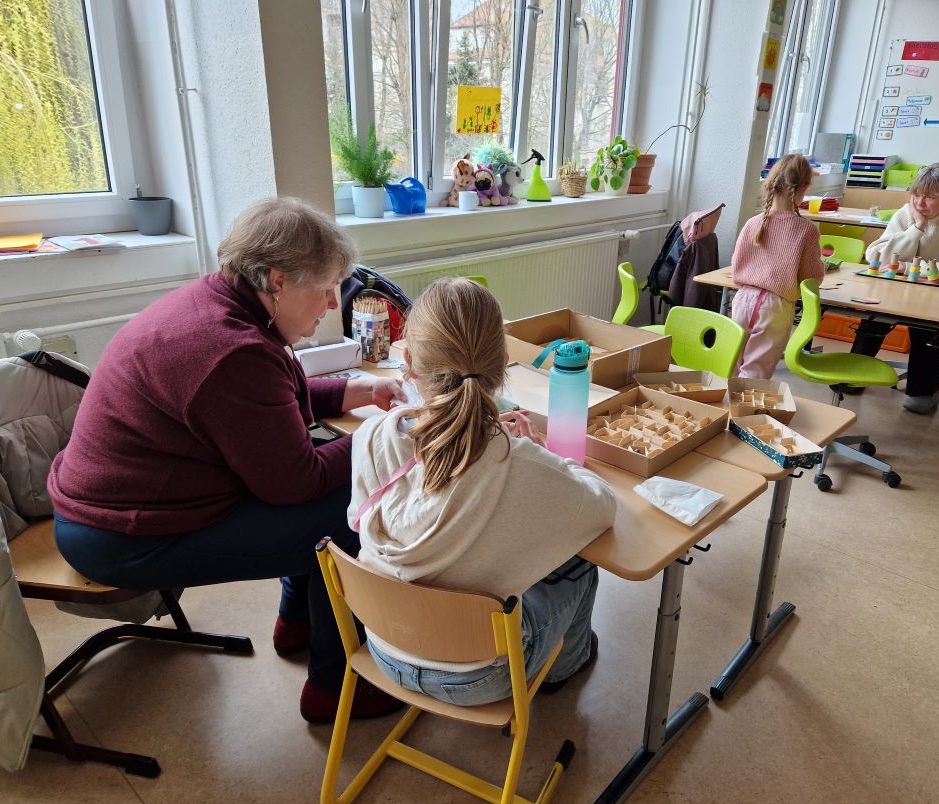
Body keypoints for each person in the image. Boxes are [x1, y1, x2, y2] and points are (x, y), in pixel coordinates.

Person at [49, 198, 406, 724]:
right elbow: (294, 482)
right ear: (279, 281)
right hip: (121, 539)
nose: (334, 302)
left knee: (331, 489)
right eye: (326, 286)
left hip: (108, 511)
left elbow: (262, 401)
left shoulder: (218, 305)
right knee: (350, 514)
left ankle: (298, 624)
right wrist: (388, 435)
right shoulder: (230, 349)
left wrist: (355, 390)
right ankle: (335, 689)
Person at [349, 278, 616, 705]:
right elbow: (602, 507)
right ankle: (565, 669)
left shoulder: (372, 436)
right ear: (505, 362)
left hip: (383, 644)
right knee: (579, 566)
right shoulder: (517, 461)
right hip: (477, 677)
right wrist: (539, 452)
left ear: (412, 362)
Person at [849, 163, 939, 413]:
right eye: (916, 194)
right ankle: (852, 377)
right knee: (873, 320)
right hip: (892, 290)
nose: (920, 203)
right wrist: (917, 228)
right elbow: (876, 255)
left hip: (934, 294)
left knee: (926, 330)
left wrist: (913, 268)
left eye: (931, 197)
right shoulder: (907, 212)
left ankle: (923, 392)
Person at [729, 153, 825, 378]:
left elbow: (736, 266)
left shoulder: (753, 222)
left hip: (743, 300)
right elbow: (811, 278)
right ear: (805, 186)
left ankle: (725, 408)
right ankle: (745, 412)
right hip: (775, 308)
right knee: (756, 371)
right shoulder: (806, 230)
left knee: (732, 364)